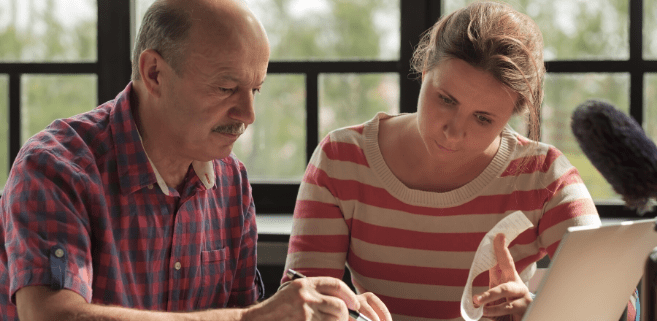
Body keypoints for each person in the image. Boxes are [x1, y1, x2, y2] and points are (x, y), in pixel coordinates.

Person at [0, 0, 390, 320]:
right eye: (225, 88)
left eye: (255, 89)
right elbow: (54, 317)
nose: (248, 114)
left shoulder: (231, 180)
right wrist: (248, 320)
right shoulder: (54, 168)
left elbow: (247, 311)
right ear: (154, 73)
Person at [281, 1, 636, 320]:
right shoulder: (342, 159)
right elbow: (297, 304)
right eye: (446, 99)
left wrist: (536, 310)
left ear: (512, 115)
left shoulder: (542, 177)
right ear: (424, 70)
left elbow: (620, 306)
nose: (453, 132)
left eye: (483, 119)